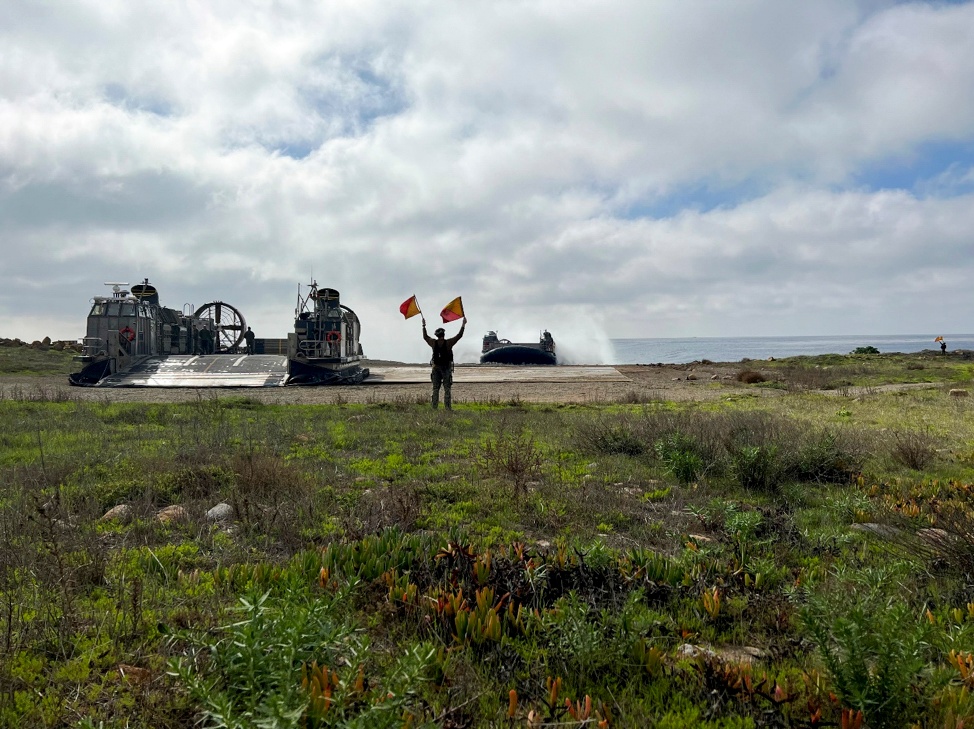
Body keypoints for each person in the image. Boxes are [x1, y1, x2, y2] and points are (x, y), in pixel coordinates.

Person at [422, 316, 466, 410]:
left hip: (436, 368)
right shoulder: (449, 343)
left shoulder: (433, 343)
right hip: (446, 368)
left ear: (437, 335)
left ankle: (434, 407)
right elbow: (459, 336)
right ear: (444, 334)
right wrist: (463, 325)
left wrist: (423, 326)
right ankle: (447, 408)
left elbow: (425, 337)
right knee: (447, 389)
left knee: (435, 389)